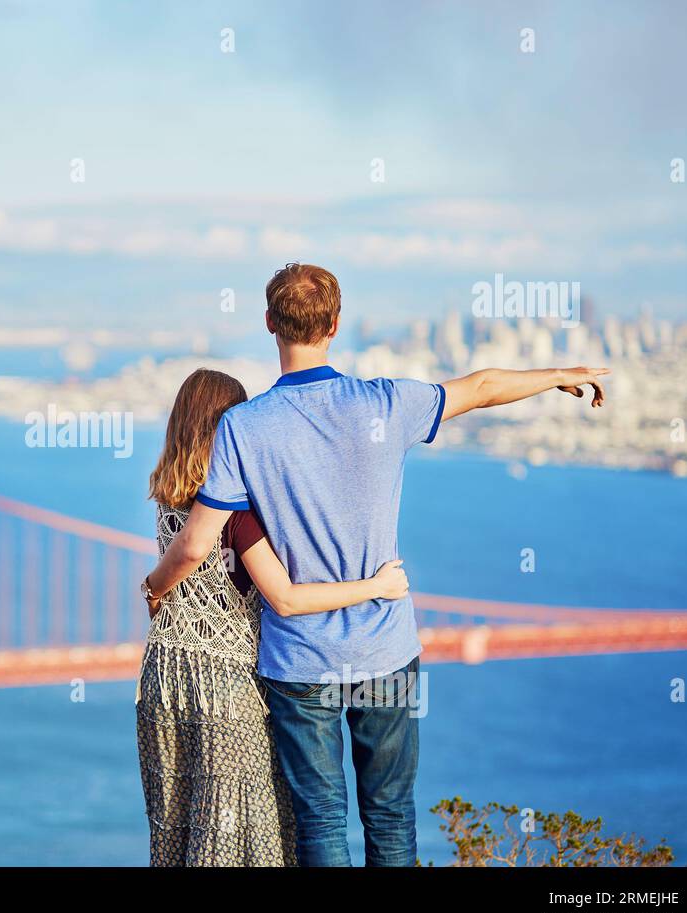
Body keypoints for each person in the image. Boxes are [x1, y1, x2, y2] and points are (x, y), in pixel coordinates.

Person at [143, 263, 608, 866]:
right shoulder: (387, 403)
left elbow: (197, 542)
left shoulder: (243, 427)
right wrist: (557, 376)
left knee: (321, 822)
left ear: (268, 324)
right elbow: (485, 385)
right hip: (387, 647)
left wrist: (155, 589)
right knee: (391, 818)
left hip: (299, 662)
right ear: (336, 324)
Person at [136, 367, 411, 867]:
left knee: (179, 823)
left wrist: (152, 587)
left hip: (165, 678)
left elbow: (180, 565)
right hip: (229, 686)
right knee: (246, 828)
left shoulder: (168, 500)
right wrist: (377, 586)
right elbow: (284, 598)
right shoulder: (236, 514)